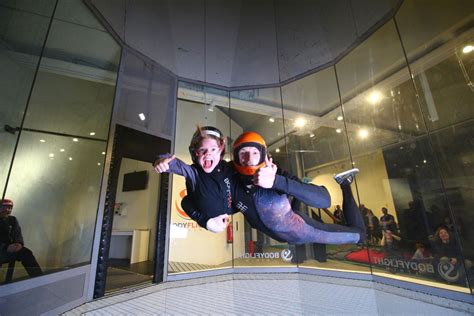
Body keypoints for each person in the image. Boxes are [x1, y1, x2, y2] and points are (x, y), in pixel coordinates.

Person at [155, 127, 366, 245]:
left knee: (359, 236)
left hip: (302, 230)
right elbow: (184, 174)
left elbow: (324, 200)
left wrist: (277, 182)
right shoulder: (231, 176)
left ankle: (345, 184)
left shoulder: (276, 173)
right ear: (234, 156)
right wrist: (163, 160)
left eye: (255, 152)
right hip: (282, 231)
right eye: (243, 153)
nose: (249, 158)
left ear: (264, 154)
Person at [0, 199, 43, 279]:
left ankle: (38, 279)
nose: (7, 210)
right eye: (4, 207)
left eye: (10, 208)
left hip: (11, 248)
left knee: (27, 254)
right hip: (2, 249)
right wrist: (5, 247)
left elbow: (17, 233)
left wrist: (18, 244)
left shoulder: (12, 220)